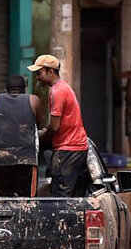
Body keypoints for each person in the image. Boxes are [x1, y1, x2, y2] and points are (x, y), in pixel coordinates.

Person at [27, 54, 91, 197]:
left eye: (39, 73)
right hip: (77, 149)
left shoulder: (58, 91)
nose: (37, 77)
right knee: (75, 198)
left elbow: (54, 127)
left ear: (50, 72)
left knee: (61, 198)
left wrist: (42, 136)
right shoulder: (62, 88)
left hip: (67, 150)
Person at [0, 74, 41, 197]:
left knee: (4, 200)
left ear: (5, 89)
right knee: (27, 202)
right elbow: (37, 126)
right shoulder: (34, 100)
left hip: (1, 161)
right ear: (24, 90)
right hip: (26, 161)